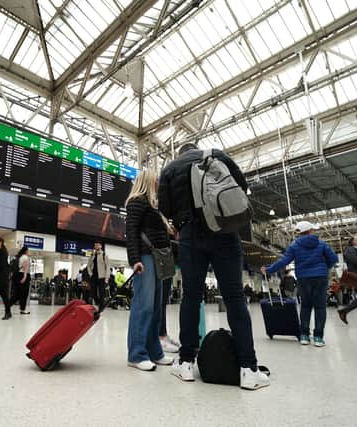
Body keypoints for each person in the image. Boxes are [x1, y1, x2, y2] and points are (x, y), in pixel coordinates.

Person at [159, 144, 269, 390]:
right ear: (198, 148)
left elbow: (164, 208)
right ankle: (248, 368)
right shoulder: (216, 155)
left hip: (190, 236)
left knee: (191, 297)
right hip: (224, 231)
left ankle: (186, 363)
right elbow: (240, 186)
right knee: (234, 298)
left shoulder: (170, 169)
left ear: (181, 153)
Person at [260, 221, 338, 346]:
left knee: (306, 306)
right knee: (320, 307)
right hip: (320, 278)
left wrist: (268, 270)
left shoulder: (294, 246)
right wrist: (324, 269)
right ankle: (318, 337)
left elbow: (283, 261)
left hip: (303, 278)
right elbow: (334, 259)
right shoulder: (322, 244)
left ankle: (304, 336)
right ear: (310, 231)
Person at [125, 169, 173, 371]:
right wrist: (135, 259)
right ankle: (136, 354)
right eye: (156, 180)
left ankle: (155, 352)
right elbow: (131, 232)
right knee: (143, 307)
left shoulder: (153, 205)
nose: (158, 184)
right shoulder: (137, 201)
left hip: (157, 259)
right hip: (145, 258)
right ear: (148, 180)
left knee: (155, 307)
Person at [87, 242, 111, 312]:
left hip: (102, 277)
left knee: (101, 293)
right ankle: (98, 303)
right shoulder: (92, 255)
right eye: (95, 245)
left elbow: (108, 267)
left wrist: (107, 278)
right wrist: (90, 274)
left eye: (97, 245)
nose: (96, 246)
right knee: (93, 292)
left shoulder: (104, 255)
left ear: (100, 246)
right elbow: (88, 265)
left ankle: (101, 307)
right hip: (94, 277)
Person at [8, 246, 31, 314]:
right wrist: (25, 277)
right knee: (24, 294)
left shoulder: (19, 257)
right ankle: (22, 309)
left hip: (17, 275)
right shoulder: (25, 257)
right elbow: (25, 268)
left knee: (17, 293)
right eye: (28, 250)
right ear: (26, 251)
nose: (29, 252)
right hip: (23, 275)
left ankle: (8, 305)